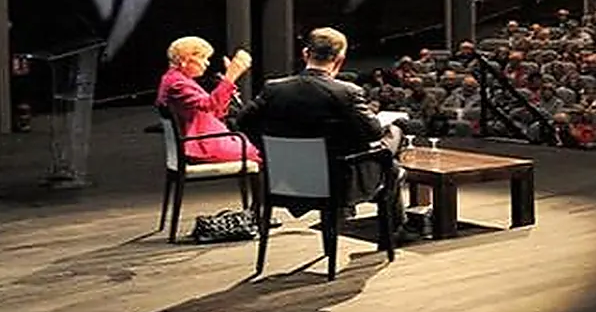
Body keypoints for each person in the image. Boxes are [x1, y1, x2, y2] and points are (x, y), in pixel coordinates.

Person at [237, 28, 410, 240]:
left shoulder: (273, 88)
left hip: (286, 179)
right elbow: (373, 133)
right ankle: (394, 231)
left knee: (380, 157)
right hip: (337, 183)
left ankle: (356, 215)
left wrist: (269, 148)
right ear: (340, 59)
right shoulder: (347, 91)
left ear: (305, 54)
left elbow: (243, 122)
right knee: (394, 138)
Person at [155, 36, 259, 165]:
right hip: (204, 145)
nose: (207, 63)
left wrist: (227, 86)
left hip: (208, 139)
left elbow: (216, 112)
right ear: (186, 59)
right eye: (203, 58)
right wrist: (230, 77)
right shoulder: (177, 83)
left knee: (258, 144)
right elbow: (210, 105)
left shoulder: (179, 79)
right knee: (262, 149)